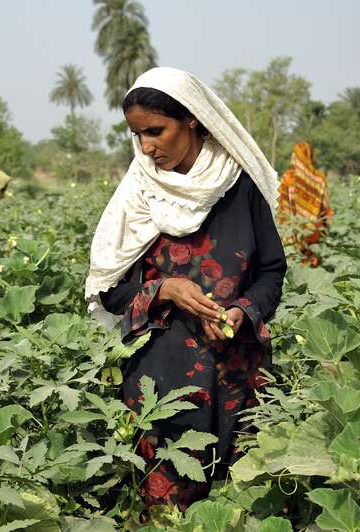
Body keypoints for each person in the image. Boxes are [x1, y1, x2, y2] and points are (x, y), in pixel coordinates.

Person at [85, 67, 286, 511]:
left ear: (192, 119)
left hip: (237, 376)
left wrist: (243, 310)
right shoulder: (139, 193)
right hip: (162, 384)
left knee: (240, 504)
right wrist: (165, 289)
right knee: (167, 509)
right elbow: (110, 291)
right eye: (137, 135)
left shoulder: (238, 186)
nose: (146, 147)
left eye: (155, 131)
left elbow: (272, 271)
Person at [277, 142, 333, 267]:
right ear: (310, 156)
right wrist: (325, 227)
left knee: (293, 262)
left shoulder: (288, 177)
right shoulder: (319, 179)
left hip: (293, 230)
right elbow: (325, 207)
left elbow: (281, 206)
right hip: (313, 231)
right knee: (312, 265)